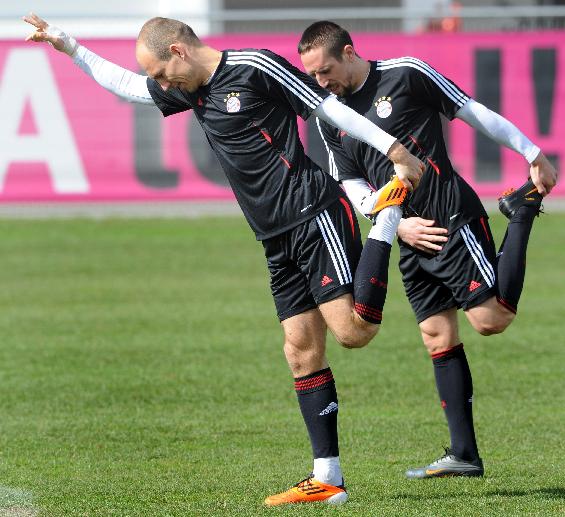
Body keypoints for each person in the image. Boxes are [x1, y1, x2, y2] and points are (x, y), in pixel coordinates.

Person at [23, 13, 425, 506]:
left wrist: (392, 148)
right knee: (299, 350)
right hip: (273, 235)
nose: (158, 84)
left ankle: (386, 220)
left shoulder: (254, 67)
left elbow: (326, 109)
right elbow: (127, 85)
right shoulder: (190, 89)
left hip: (313, 213)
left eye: (160, 72)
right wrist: (69, 45)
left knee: (353, 333)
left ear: (178, 51)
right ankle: (328, 479)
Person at [298, 21, 557, 479]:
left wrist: (531, 152)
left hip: (451, 216)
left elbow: (472, 111)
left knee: (491, 320)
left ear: (350, 52)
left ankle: (520, 210)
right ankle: (464, 454)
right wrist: (395, 227)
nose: (322, 83)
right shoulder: (329, 116)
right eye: (314, 77)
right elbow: (352, 184)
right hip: (408, 233)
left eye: (325, 71)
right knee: (438, 336)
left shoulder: (406, 73)